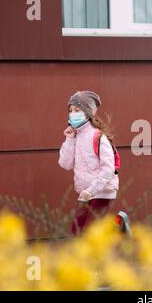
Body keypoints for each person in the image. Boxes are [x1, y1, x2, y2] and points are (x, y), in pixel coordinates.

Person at [58, 91, 123, 236]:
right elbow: (65, 164)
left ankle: (117, 229)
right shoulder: (77, 135)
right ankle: (116, 227)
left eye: (77, 110)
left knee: (90, 233)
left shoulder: (98, 136)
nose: (72, 114)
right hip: (85, 193)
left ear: (87, 113)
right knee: (77, 230)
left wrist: (91, 191)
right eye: (70, 111)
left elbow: (108, 169)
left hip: (101, 192)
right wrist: (69, 139)